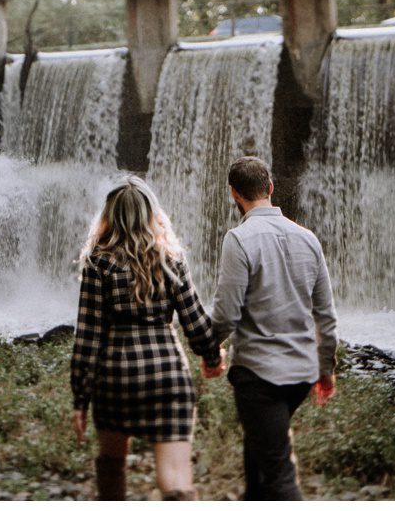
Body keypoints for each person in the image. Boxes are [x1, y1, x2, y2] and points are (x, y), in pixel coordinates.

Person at [70, 177, 222, 501]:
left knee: (112, 463)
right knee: (176, 476)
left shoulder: (98, 262)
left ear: (110, 216)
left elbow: (88, 335)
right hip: (168, 373)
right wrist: (212, 356)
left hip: (116, 376)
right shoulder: (171, 258)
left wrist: (80, 400)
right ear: (152, 215)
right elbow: (195, 321)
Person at [203, 155, 338, 501]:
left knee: (278, 472)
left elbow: (227, 313)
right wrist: (326, 369)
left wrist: (209, 349)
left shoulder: (239, 238)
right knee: (259, 454)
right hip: (300, 373)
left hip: (260, 376)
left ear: (234, 194)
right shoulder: (308, 239)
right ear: (271, 189)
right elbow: (325, 314)